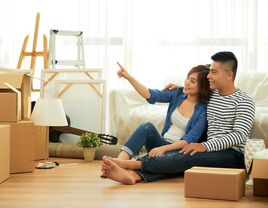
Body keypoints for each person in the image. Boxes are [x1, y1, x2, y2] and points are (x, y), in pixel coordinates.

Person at [101, 51, 256, 185]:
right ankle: (134, 176)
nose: (209, 76)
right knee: (182, 158)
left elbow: (239, 135)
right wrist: (179, 88)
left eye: (214, 72)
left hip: (232, 155)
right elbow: (193, 89)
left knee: (188, 156)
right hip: (210, 151)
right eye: (209, 71)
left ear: (229, 75)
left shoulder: (244, 101)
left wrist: (204, 146)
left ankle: (130, 165)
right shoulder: (211, 95)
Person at [115, 62, 211, 161]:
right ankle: (119, 161)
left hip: (177, 151)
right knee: (146, 126)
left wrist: (162, 149)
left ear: (202, 87)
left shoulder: (203, 111)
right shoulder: (178, 94)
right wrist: (129, 77)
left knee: (151, 161)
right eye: (187, 78)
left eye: (192, 81)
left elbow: (188, 141)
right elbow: (150, 94)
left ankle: (138, 162)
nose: (187, 82)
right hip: (161, 143)